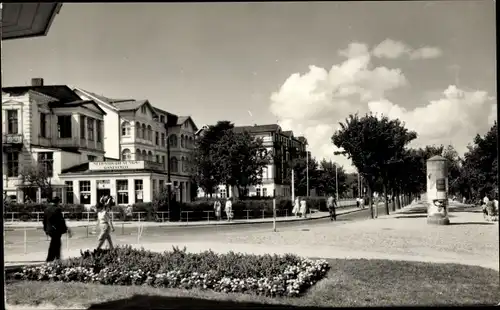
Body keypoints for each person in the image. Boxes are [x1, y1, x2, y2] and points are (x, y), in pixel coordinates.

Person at [43, 197, 71, 262]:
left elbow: (44, 221)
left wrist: (45, 229)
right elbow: (61, 220)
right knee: (56, 244)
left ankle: (54, 258)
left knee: (55, 243)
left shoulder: (46, 209)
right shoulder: (57, 209)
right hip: (56, 230)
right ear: (58, 202)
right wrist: (66, 229)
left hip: (49, 229)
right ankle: (53, 258)